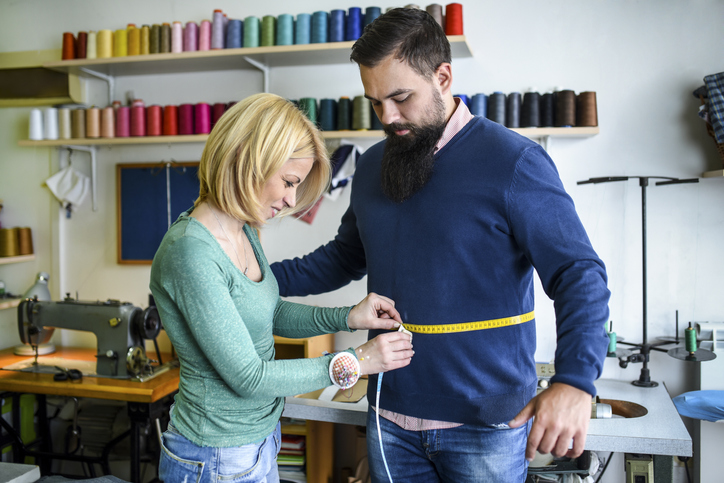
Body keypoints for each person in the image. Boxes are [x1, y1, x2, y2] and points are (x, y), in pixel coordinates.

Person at [270, 8, 610, 483]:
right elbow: (344, 258)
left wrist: (575, 382)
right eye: (375, 102)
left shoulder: (514, 162)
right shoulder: (371, 168)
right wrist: (253, 273)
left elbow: (579, 274)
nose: (387, 117)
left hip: (488, 425)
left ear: (443, 76)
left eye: (400, 97)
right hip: (390, 418)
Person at [150, 93, 414, 483]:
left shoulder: (243, 231)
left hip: (258, 442)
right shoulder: (191, 251)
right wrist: (356, 361)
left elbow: (271, 312)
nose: (291, 200)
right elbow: (250, 378)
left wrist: (347, 316)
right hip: (215, 456)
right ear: (248, 159)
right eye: (289, 183)